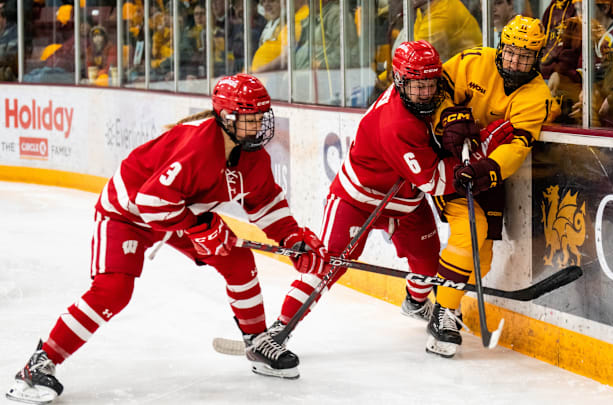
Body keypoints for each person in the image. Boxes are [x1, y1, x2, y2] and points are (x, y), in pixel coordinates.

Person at [5, 73, 329, 404]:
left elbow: (266, 203)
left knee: (238, 260)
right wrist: (203, 229)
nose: (260, 124)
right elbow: (149, 201)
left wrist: (293, 239)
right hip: (127, 212)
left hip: (176, 212)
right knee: (113, 291)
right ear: (227, 118)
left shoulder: (253, 157)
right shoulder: (198, 146)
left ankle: (258, 342)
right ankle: (39, 363)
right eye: (251, 117)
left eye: (262, 115)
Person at [271, 40, 461, 339]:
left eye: (430, 84)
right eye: (416, 86)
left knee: (427, 261)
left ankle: (415, 302)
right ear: (399, 80)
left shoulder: (426, 95)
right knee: (328, 266)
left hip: (405, 202)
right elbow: (434, 183)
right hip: (357, 201)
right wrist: (474, 158)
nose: (425, 93)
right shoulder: (396, 123)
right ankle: (277, 329)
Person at [427, 15, 558, 357]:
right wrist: (447, 118)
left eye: (525, 56)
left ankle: (436, 302)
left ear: (537, 57)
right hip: (446, 160)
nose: (516, 62)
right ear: (501, 47)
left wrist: (488, 168)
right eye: (511, 53)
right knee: (470, 233)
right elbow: (435, 87)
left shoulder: (536, 96)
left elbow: (518, 145)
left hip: (485, 172)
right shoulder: (473, 61)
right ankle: (441, 313)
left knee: (482, 256)